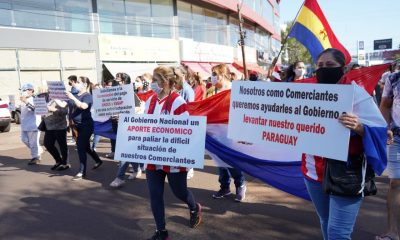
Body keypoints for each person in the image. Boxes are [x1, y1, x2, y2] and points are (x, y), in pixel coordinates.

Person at [302, 48, 381, 240]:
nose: (324, 69)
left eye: (330, 65)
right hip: (313, 169)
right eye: (320, 65)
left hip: (346, 171)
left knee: (338, 233)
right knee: (325, 221)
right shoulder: (305, 91)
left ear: (343, 69)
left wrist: (359, 127)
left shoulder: (357, 94)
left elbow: (379, 129)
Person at [144, 66, 201, 240]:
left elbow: (185, 133)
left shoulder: (178, 102)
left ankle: (194, 207)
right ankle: (161, 231)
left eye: (155, 80)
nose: (152, 83)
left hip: (173, 156)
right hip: (153, 155)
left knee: (179, 192)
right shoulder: (150, 101)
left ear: (166, 82)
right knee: (155, 194)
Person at [206, 63, 247, 202]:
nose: (211, 77)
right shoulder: (211, 91)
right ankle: (225, 187)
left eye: (214, 74)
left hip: (230, 130)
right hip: (215, 130)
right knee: (219, 161)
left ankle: (240, 184)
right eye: (211, 74)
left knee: (231, 160)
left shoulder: (235, 89)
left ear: (222, 75)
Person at [377, 70, 400, 240]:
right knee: (395, 183)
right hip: (398, 138)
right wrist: (385, 129)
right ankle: (393, 232)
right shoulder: (394, 78)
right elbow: (385, 104)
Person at [66, 76, 103, 181]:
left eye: (78, 82)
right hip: (76, 125)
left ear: (85, 85)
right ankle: (98, 160)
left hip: (86, 125)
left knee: (81, 147)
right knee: (86, 147)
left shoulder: (88, 96)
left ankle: (82, 172)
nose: (76, 84)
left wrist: (72, 98)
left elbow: (83, 106)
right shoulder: (75, 95)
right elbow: (69, 107)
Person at [43, 97, 70, 171]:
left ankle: (65, 163)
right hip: (49, 127)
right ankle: (58, 160)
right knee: (47, 144)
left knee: (62, 145)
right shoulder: (48, 99)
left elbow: (64, 112)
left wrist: (53, 109)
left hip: (60, 127)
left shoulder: (64, 100)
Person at [19, 83, 42, 165]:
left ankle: (35, 157)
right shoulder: (24, 99)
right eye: (23, 90)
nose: (23, 92)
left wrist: (25, 101)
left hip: (33, 124)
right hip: (25, 124)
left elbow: (34, 109)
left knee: (33, 142)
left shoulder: (36, 99)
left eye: (25, 90)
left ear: (31, 90)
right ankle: (38, 150)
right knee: (23, 139)